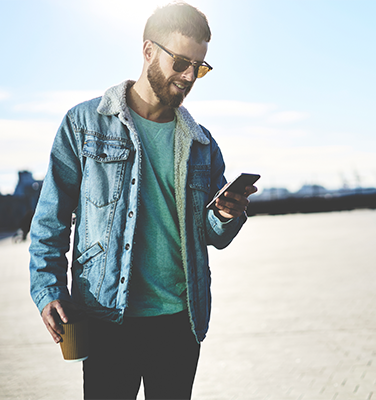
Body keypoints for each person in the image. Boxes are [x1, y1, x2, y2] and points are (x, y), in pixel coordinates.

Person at [29, 2, 257, 399]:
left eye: (199, 67)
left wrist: (224, 213)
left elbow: (210, 235)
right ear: (149, 50)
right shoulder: (83, 125)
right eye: (181, 62)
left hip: (179, 322)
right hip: (105, 317)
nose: (189, 77)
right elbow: (51, 219)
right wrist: (48, 290)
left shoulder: (202, 144)